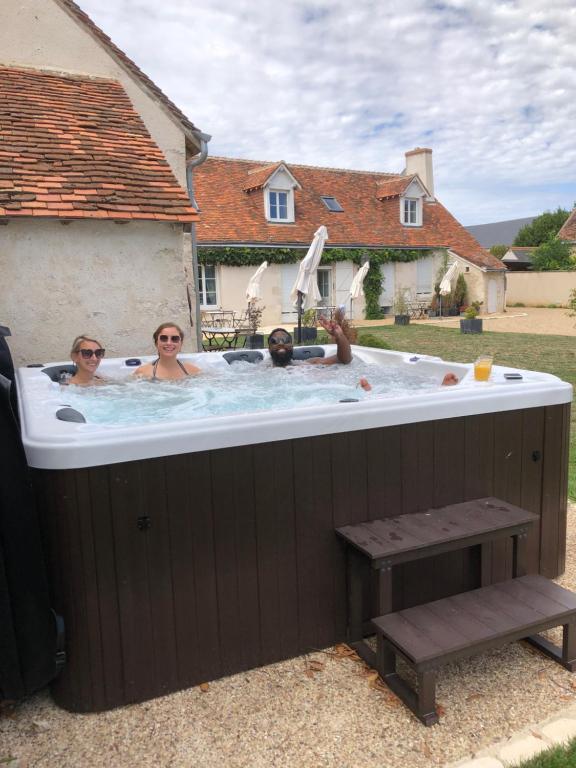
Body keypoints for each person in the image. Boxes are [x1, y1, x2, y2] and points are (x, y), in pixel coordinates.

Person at [267, 315, 352, 367]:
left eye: (286, 340)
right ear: (269, 348)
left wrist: (339, 336)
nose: (281, 343)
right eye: (275, 341)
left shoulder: (306, 365)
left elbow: (344, 360)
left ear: (292, 346)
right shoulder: (259, 370)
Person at [134, 322, 201, 381]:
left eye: (175, 339)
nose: (169, 343)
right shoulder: (142, 373)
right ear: (156, 343)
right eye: (163, 338)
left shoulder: (194, 372)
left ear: (181, 344)